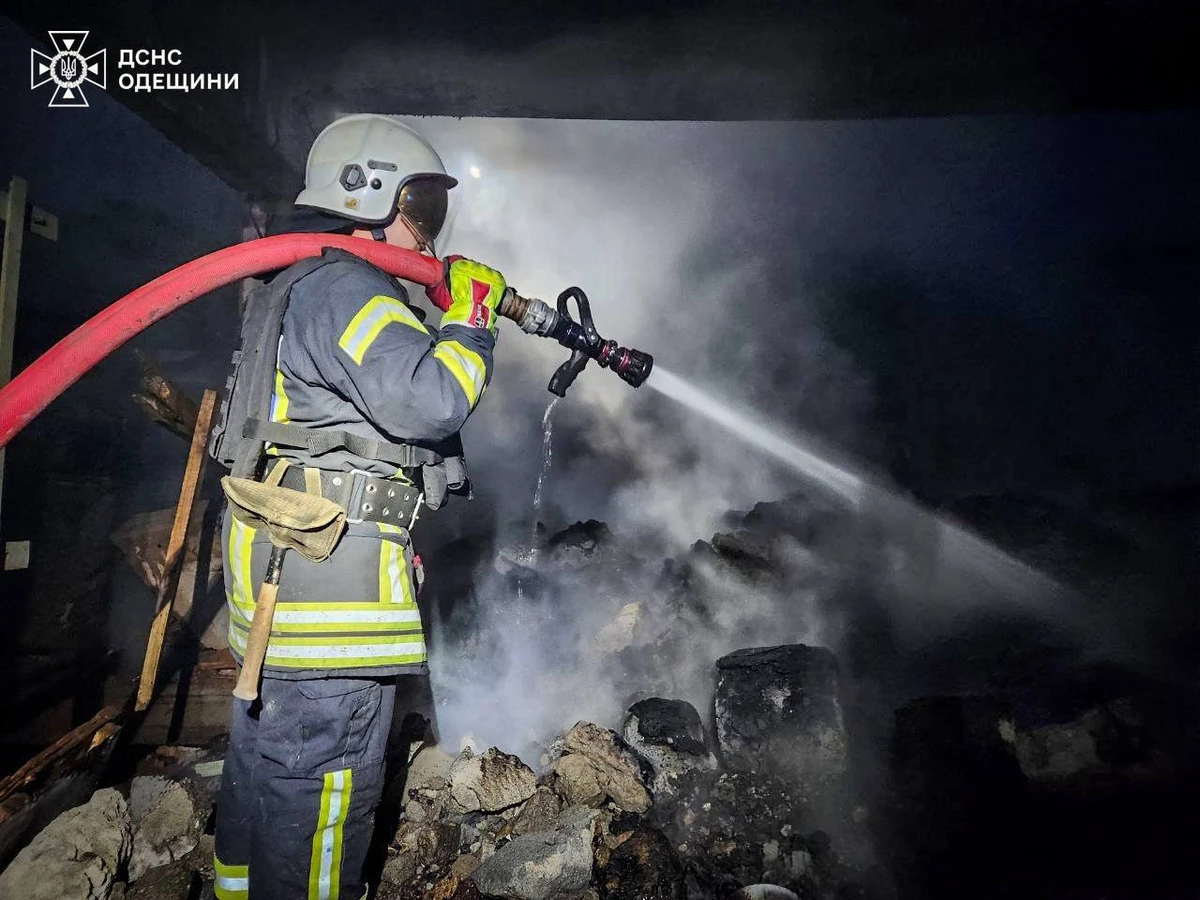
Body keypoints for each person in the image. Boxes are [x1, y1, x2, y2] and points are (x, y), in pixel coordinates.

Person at [212, 114, 505, 900]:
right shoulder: (349, 288)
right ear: (368, 195)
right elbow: (430, 400)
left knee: (266, 775)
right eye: (425, 207)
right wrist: (471, 319)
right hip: (327, 605)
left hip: (287, 583)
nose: (431, 232)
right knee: (323, 792)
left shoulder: (295, 282)